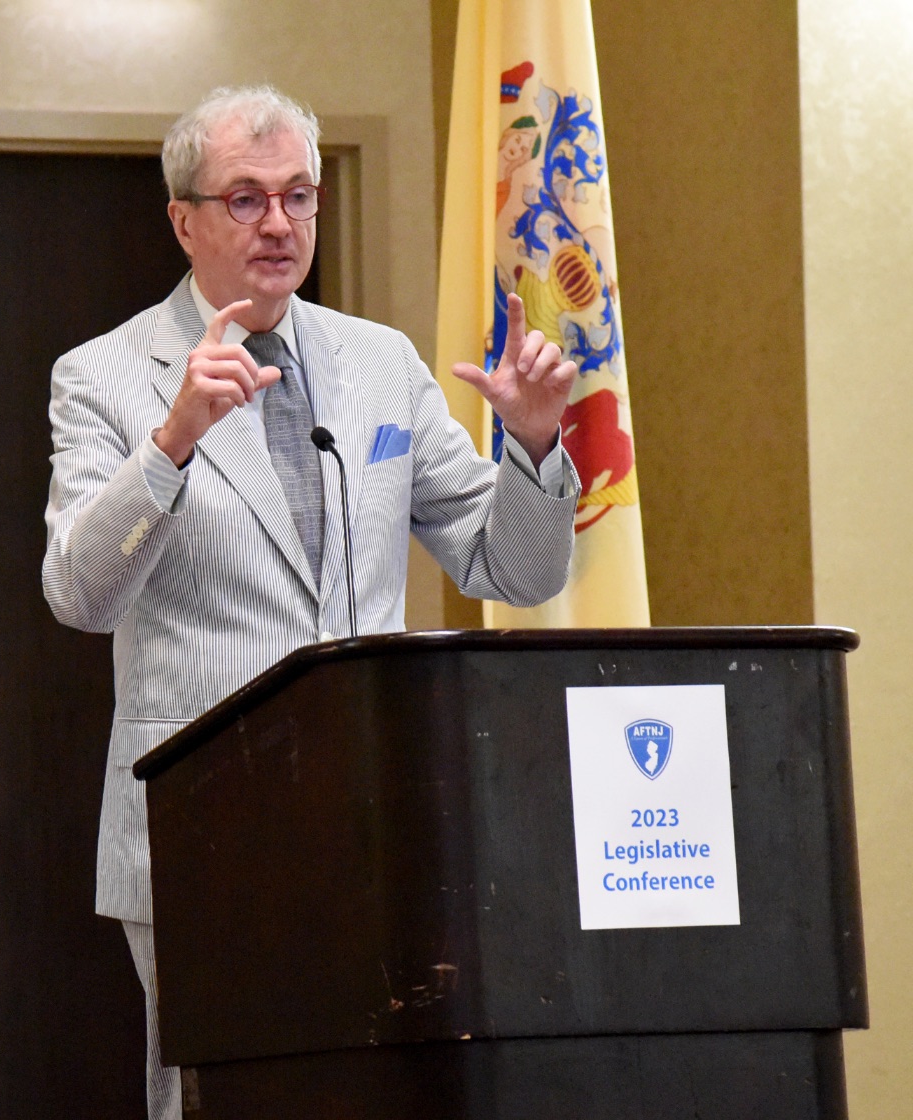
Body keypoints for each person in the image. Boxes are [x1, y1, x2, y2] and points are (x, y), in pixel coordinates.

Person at [43, 84, 581, 1120]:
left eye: (299, 195)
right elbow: (80, 593)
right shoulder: (104, 375)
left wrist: (534, 443)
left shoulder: (379, 363)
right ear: (184, 220)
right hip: (205, 832)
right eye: (246, 199)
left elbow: (512, 569)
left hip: (378, 824)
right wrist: (172, 443)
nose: (280, 223)